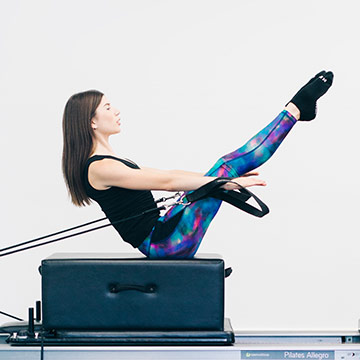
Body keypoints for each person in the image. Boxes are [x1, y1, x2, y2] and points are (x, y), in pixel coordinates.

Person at [62, 70, 333, 259]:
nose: (116, 111)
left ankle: (296, 110)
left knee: (224, 168)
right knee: (226, 167)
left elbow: (170, 176)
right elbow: (166, 182)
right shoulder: (98, 168)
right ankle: (296, 110)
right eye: (108, 107)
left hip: (166, 232)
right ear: (92, 122)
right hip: (164, 242)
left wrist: (218, 180)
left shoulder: (110, 162)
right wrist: (226, 181)